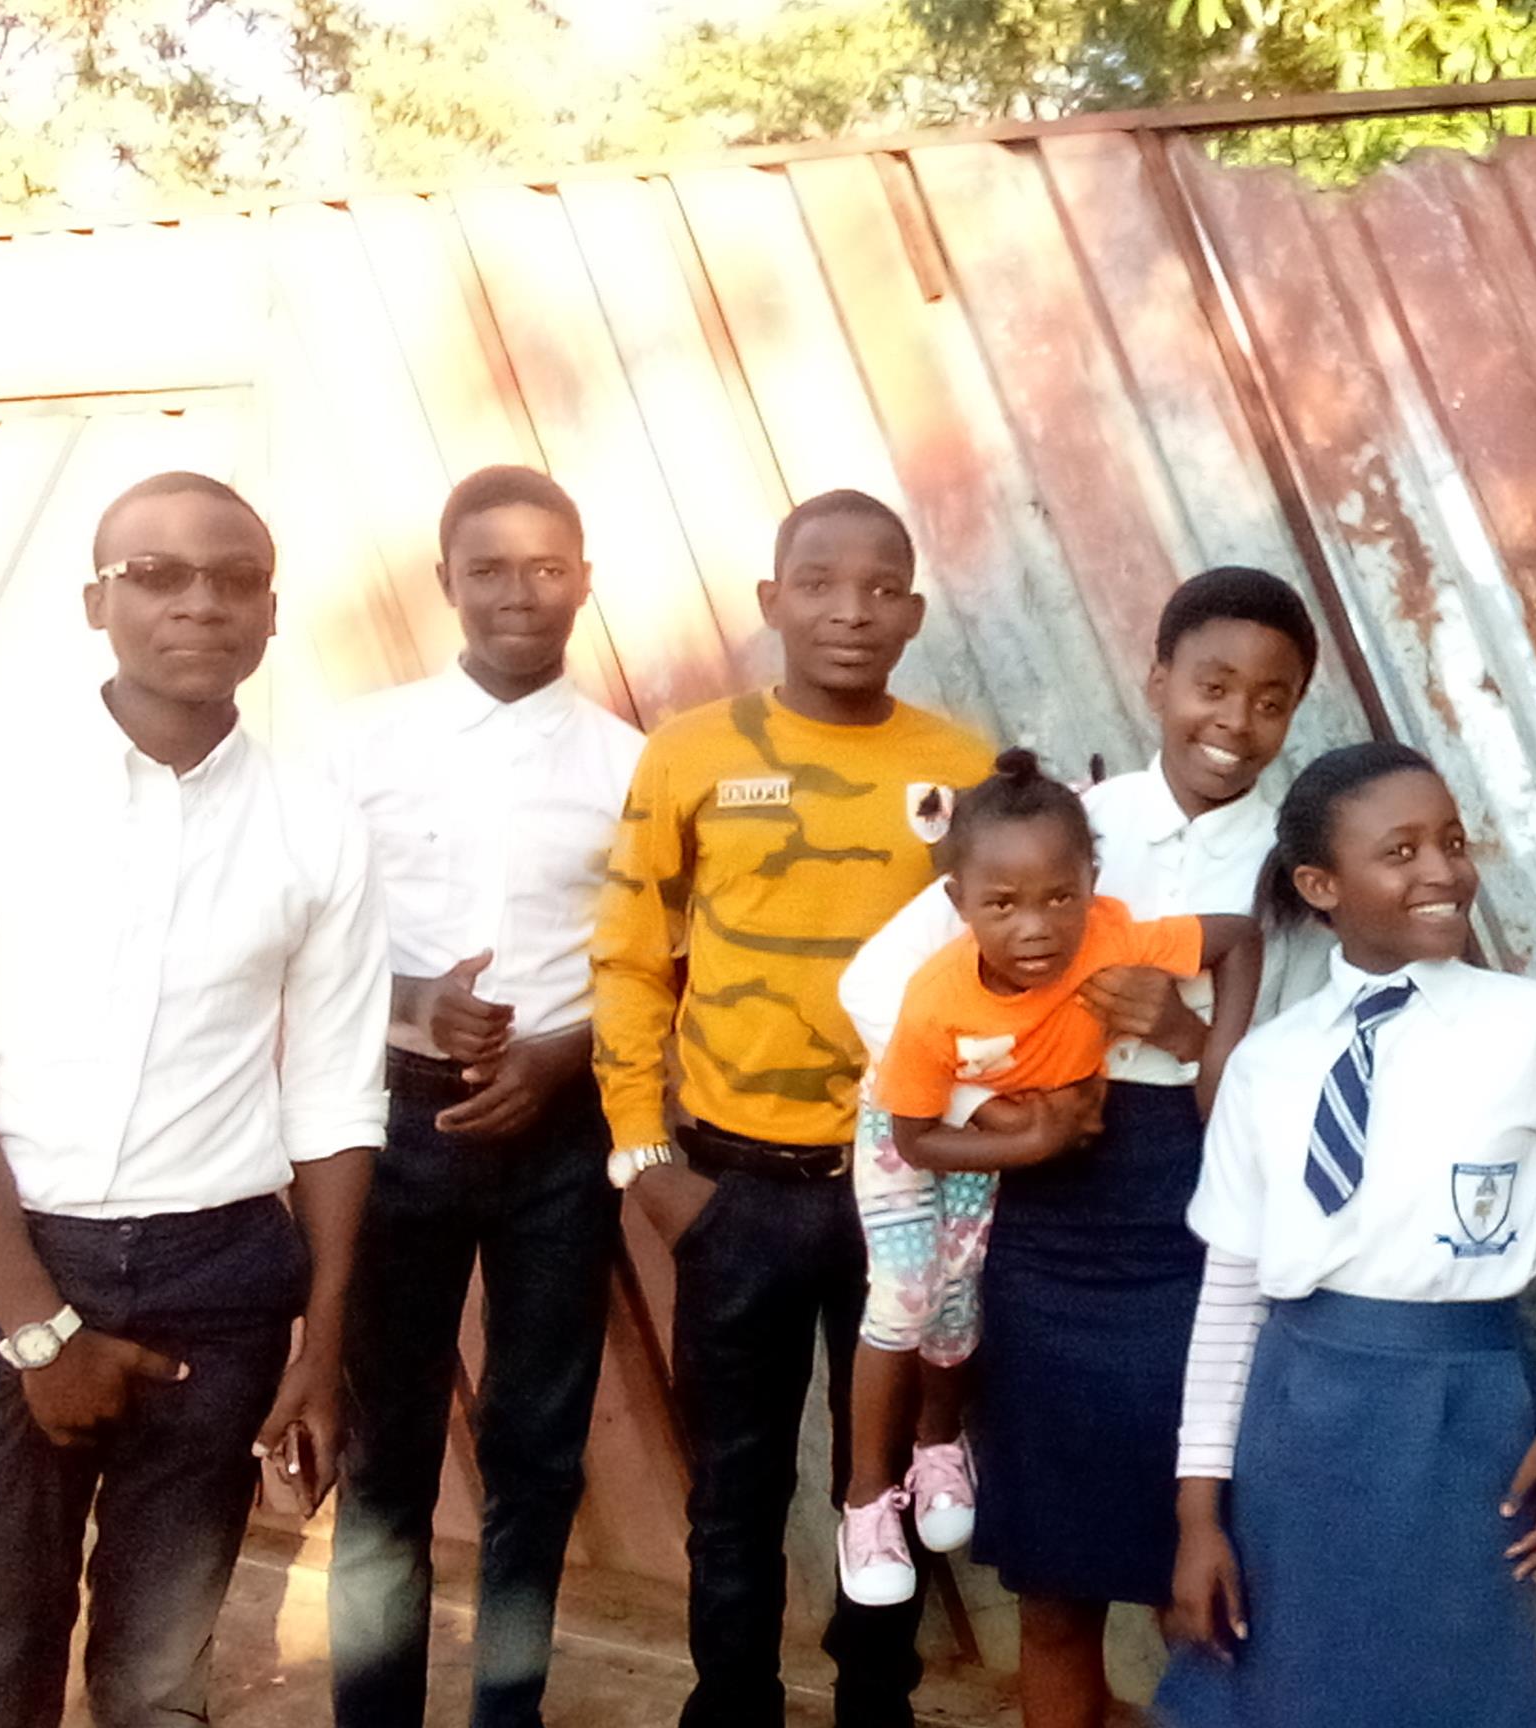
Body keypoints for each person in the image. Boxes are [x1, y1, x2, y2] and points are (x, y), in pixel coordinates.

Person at [0, 472, 387, 1728]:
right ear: (95, 602)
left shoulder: (315, 827)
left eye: (236, 579)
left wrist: (320, 1348)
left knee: (158, 1685)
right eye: (157, 575)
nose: (200, 603)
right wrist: (38, 1331)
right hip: (14, 1260)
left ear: (272, 612)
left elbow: (333, 1100)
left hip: (221, 1283)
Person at [835, 566, 1323, 1727]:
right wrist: (992, 1110)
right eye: (1211, 685)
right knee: (1054, 1581)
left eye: (1271, 700)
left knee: (1204, 1571)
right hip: (1044, 1211)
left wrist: (1192, 1038)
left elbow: (1305, 1068)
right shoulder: (1069, 825)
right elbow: (878, 988)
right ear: (1156, 682)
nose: (1235, 719)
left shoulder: (1297, 866)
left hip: (1200, 1210)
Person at [1156, 742, 1536, 1728]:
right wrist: (1198, 1512)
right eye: (1400, 852)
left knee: (1449, 1688)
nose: (1443, 871)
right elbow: (1229, 1297)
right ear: (1321, 886)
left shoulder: (1533, 1027)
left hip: (1462, 1416)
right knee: (1289, 1691)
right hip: (1293, 1421)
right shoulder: (1269, 1064)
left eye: (1452, 842)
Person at [593, 488, 994, 1728]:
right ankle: (732, 1702)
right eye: (818, 584)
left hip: (904, 1188)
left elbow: (1001, 963)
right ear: (771, 602)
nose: (850, 611)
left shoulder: (964, 772)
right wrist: (645, 1161)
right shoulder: (691, 755)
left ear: (914, 614)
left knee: (884, 1478)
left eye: (881, 589)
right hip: (735, 1192)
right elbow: (629, 956)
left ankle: (878, 1700)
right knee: (735, 1489)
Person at [320, 465, 646, 1728]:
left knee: (537, 1449)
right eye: (490, 568)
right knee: (386, 1452)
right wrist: (413, 999)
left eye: (547, 567)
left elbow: (656, 964)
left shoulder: (629, 765)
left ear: (584, 582)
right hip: (392, 1120)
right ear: (445, 581)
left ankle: (507, 1712)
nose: (520, 592)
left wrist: (559, 1057)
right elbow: (307, 936)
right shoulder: (361, 745)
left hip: (558, 1134)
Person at [840, 749, 1264, 1609]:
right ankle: (865, 1497)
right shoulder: (934, 995)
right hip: (914, 1126)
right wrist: (1023, 1138)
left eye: (1059, 899)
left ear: (1093, 886)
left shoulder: (1109, 932)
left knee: (958, 1295)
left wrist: (1215, 1051)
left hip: (1012, 1140)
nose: (1035, 927)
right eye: (1003, 905)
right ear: (959, 902)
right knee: (905, 1293)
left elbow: (1240, 937)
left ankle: (937, 1446)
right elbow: (916, 1139)